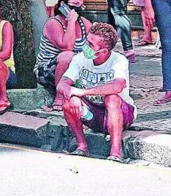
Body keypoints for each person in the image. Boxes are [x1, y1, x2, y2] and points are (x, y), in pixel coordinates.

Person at [58, 22, 136, 162]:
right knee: (68, 101)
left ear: (103, 52)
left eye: (90, 45)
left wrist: (81, 92)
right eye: (87, 42)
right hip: (93, 113)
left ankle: (115, 151)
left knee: (111, 98)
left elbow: (117, 86)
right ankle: (82, 146)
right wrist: (73, 95)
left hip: (121, 113)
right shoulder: (79, 58)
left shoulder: (119, 60)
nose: (85, 46)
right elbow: (62, 84)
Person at [35, 0, 93, 111]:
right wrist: (71, 21)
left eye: (81, 5)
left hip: (76, 69)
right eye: (75, 4)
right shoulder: (53, 23)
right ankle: (59, 96)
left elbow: (93, 43)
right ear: (63, 5)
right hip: (49, 71)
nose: (79, 8)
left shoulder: (84, 23)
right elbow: (67, 47)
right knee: (67, 56)